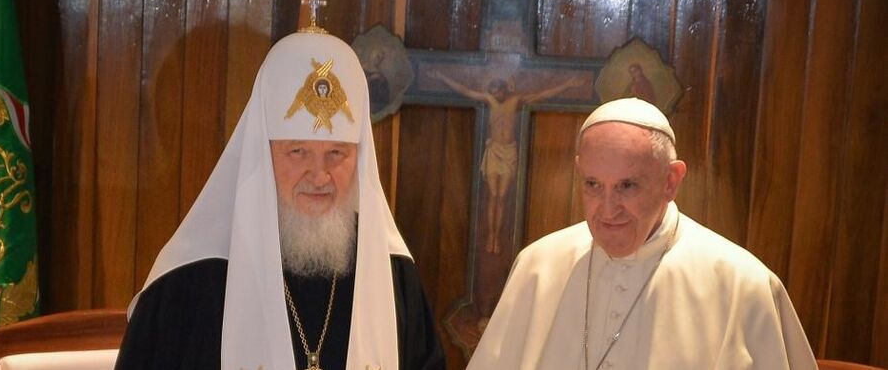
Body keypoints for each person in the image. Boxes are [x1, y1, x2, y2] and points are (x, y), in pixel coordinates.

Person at [115, 29, 446, 370]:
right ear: (262, 152)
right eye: (298, 152)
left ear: (360, 159)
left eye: (336, 153)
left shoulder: (392, 275)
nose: (319, 176)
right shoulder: (189, 280)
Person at [466, 97, 817, 369]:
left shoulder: (742, 284)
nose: (607, 209)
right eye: (592, 184)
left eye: (627, 186)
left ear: (671, 181)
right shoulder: (538, 266)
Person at [432, 72, 580, 254]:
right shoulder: (489, 100)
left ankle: (497, 237)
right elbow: (465, 90)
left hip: (509, 151)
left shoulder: (516, 101)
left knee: (502, 196)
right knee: (493, 196)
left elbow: (542, 95)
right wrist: (442, 78)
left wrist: (567, 84)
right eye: (493, 91)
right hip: (494, 150)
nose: (496, 95)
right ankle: (491, 236)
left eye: (499, 91)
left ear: (504, 89)